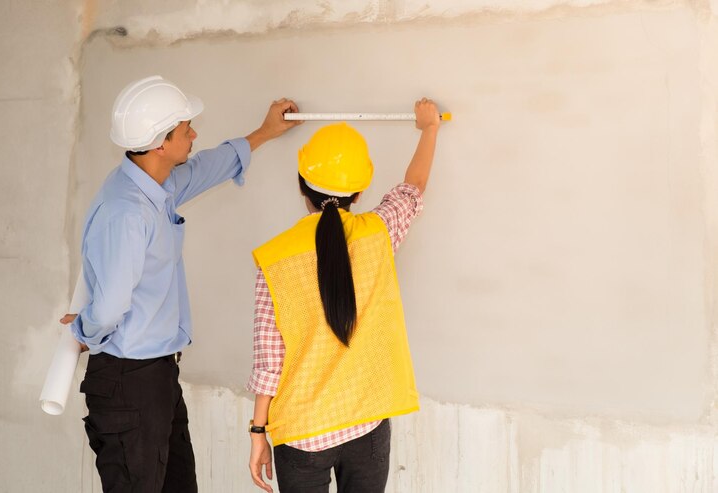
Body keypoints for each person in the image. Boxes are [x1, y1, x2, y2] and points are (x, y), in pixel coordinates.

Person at [60, 75, 300, 492]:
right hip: (127, 383)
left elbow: (208, 166)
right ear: (160, 143)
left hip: (156, 380)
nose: (194, 133)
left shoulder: (156, 184)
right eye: (185, 128)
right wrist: (84, 331)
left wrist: (264, 132)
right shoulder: (128, 213)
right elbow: (111, 305)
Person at [247, 98, 441, 493]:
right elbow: (413, 187)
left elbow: (270, 363)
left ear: (301, 183)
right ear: (360, 189)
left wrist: (257, 433)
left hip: (302, 435)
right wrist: (430, 128)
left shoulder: (274, 259)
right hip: (367, 425)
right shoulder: (379, 233)